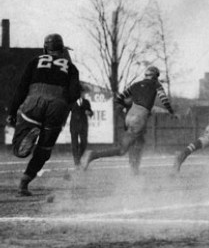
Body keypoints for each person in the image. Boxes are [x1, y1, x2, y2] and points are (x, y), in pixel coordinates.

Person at [6, 33, 80, 196]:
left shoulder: (35, 61)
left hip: (34, 101)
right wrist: (61, 100)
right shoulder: (71, 67)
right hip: (57, 106)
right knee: (44, 150)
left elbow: (21, 88)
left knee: (19, 150)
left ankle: (27, 137)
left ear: (45, 48)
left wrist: (12, 112)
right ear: (62, 49)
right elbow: (75, 93)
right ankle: (24, 183)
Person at [82, 65, 176, 175]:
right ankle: (93, 155)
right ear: (155, 76)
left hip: (129, 117)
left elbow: (119, 99)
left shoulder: (135, 85)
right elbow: (164, 100)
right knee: (122, 150)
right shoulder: (156, 84)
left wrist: (122, 113)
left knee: (139, 141)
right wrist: (171, 111)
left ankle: (134, 169)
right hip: (139, 119)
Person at [70, 84, 94, 168]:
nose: (84, 94)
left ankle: (78, 158)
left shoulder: (86, 102)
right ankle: (76, 162)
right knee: (74, 144)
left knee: (84, 143)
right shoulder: (71, 102)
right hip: (74, 125)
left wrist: (89, 113)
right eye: (83, 92)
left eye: (84, 93)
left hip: (83, 125)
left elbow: (91, 112)